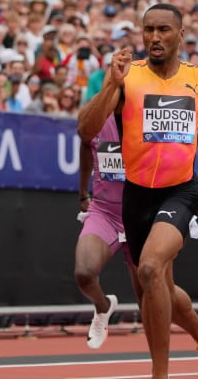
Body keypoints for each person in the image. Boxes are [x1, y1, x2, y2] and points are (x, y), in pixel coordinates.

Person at [77, 3, 198, 379]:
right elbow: (86, 130)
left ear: (180, 35)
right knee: (156, 288)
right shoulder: (126, 75)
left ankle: (160, 374)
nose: (154, 37)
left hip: (180, 192)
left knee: (150, 267)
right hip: (136, 196)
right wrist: (113, 85)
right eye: (148, 29)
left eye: (163, 30)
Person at [74, 114, 140, 349]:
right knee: (84, 273)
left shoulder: (148, 112)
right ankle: (103, 307)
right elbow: (84, 141)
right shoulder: (98, 116)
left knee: (150, 300)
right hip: (105, 212)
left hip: (140, 215)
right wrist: (83, 193)